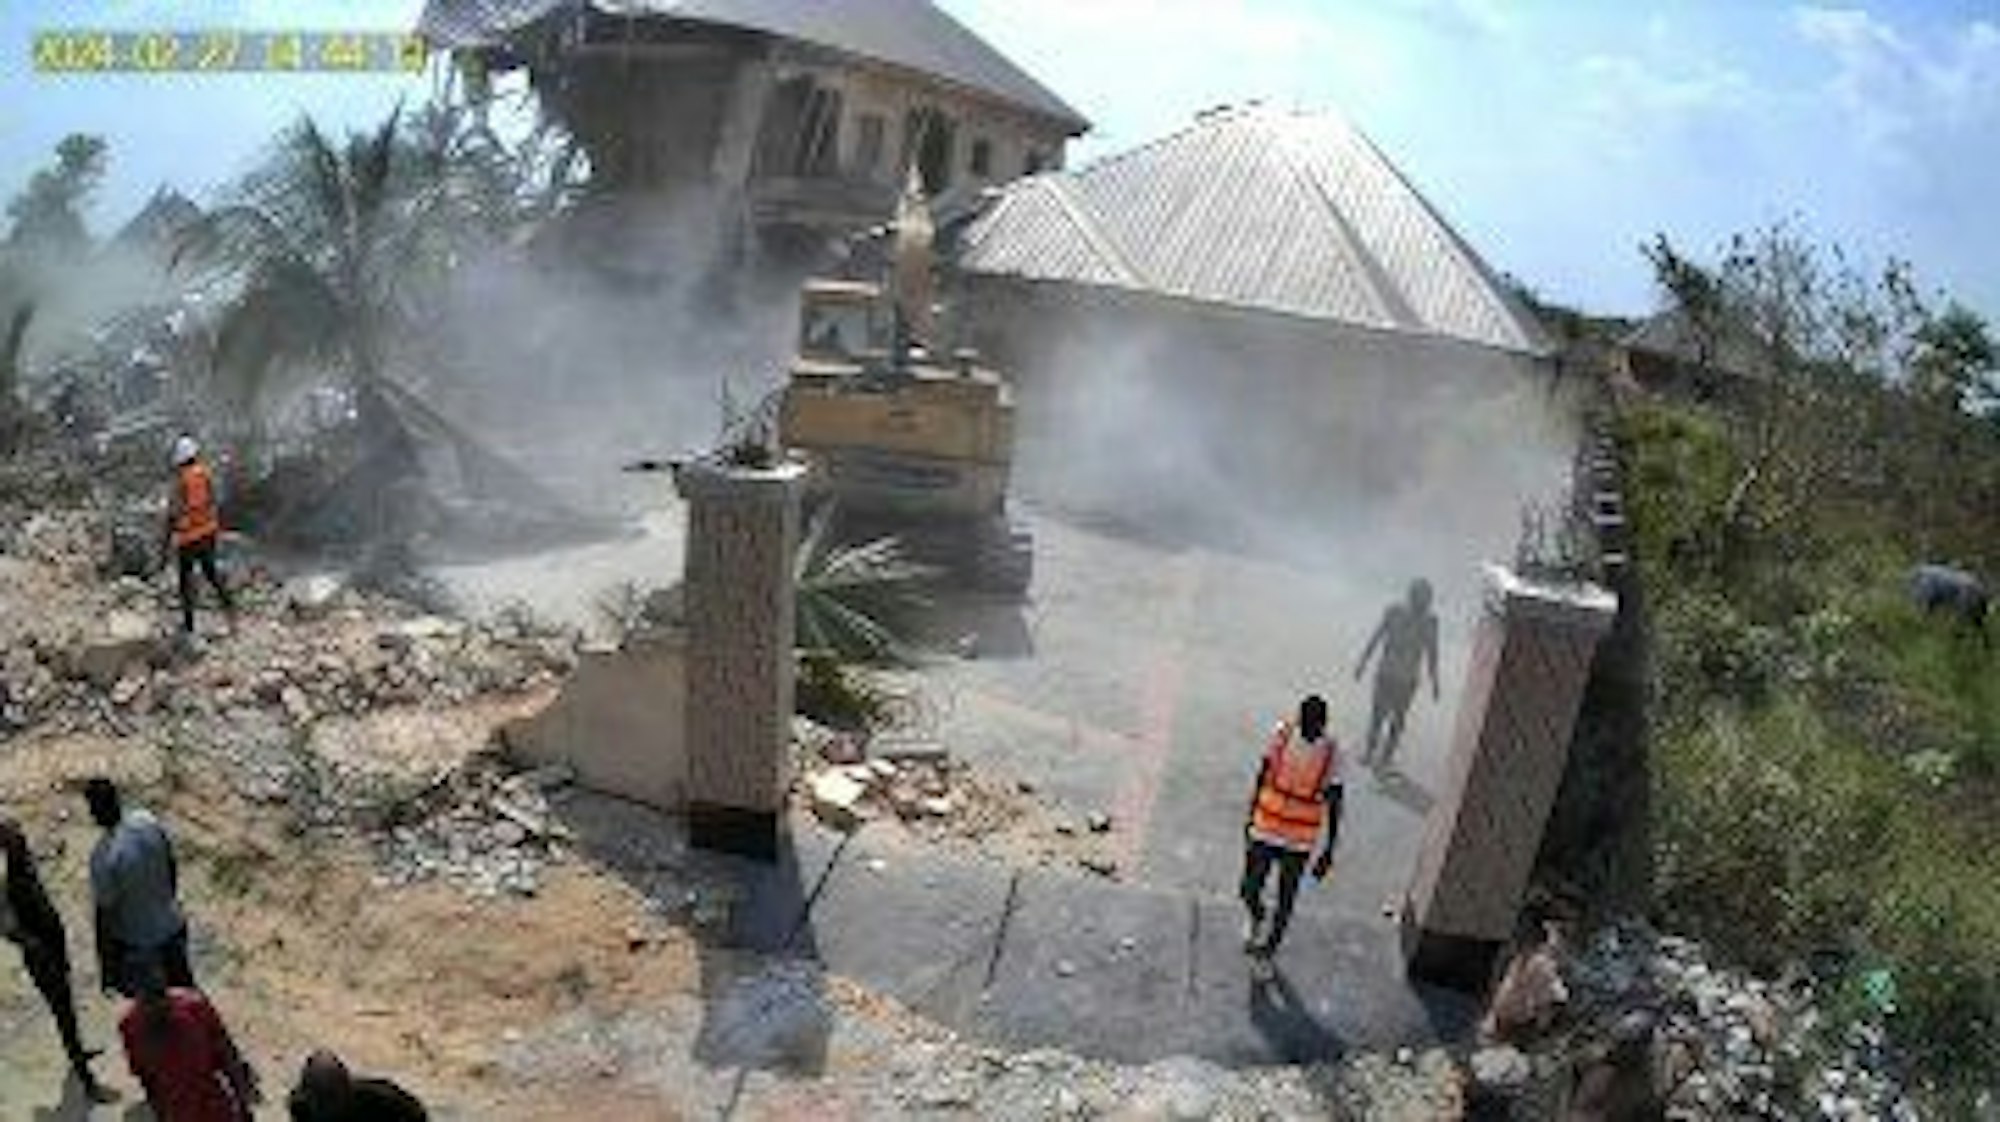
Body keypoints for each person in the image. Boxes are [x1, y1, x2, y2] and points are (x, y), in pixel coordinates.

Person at [1, 819, 113, 1102]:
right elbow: (8, 928)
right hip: (43, 959)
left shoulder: (23, 870)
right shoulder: (8, 885)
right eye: (17, 841)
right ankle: (88, 1082)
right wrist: (35, 947)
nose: (23, 844)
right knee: (63, 1012)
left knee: (67, 1009)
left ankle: (77, 1052)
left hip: (53, 949)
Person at [1239, 695, 1343, 962]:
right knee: (1248, 888)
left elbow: (1335, 800)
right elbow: (1262, 774)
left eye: (1315, 727)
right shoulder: (1282, 735)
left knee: (1287, 896)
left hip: (1299, 838)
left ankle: (1269, 948)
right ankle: (1257, 912)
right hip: (1266, 826)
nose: (1309, 731)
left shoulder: (1332, 752)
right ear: (1299, 718)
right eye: (1305, 724)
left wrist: (1329, 849)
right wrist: (1250, 815)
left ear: (1323, 725)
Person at [85, 777, 194, 998]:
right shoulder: (147, 821)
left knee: (155, 1013)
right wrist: (165, 902)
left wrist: (107, 970)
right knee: (189, 999)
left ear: (95, 810)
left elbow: (104, 916)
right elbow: (171, 865)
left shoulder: (103, 858)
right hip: (172, 926)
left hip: (140, 944)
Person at [118, 962, 256, 1122]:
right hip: (178, 1112)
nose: (158, 1003)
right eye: (149, 997)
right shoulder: (130, 1027)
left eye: (160, 993)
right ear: (135, 994)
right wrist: (161, 1114)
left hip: (215, 1107)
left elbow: (228, 1056)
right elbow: (148, 1080)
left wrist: (243, 1104)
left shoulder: (195, 1007)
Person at [1353, 578, 1441, 771]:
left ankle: (1384, 756)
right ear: (1411, 596)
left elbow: (1432, 653)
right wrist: (1362, 662)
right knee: (1379, 716)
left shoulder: (1430, 622)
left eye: (1424, 599)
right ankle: (1371, 751)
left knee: (1397, 720)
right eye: (1419, 598)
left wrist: (1435, 682)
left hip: (1406, 679)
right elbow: (1377, 637)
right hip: (1388, 673)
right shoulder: (1395, 612)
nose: (1422, 603)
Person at [162, 434, 235, 639]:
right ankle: (230, 611)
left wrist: (165, 543)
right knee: (211, 572)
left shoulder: (180, 481)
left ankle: (189, 625)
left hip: (188, 538)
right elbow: (214, 500)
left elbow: (172, 514)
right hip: (208, 533)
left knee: (185, 580)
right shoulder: (205, 474)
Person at [287, 1049, 429, 1122]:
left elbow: (417, 1114)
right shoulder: (301, 1108)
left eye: (332, 1097)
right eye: (320, 1100)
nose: (325, 1106)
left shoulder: (383, 1103)